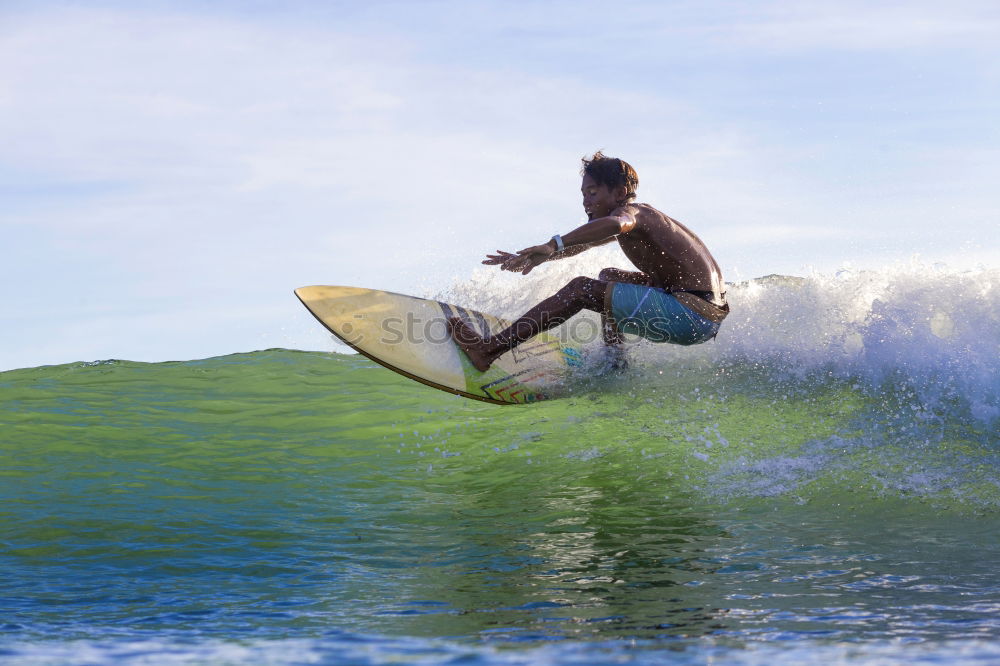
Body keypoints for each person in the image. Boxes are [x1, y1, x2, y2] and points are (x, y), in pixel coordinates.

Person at [448, 151, 728, 372]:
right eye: (583, 195)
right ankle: (616, 364)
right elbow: (587, 242)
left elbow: (617, 224)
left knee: (580, 289)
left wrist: (552, 243)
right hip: (700, 313)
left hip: (691, 312)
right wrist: (541, 255)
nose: (586, 203)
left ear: (619, 193)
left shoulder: (633, 215)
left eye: (592, 194)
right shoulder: (641, 221)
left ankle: (487, 350)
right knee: (608, 276)